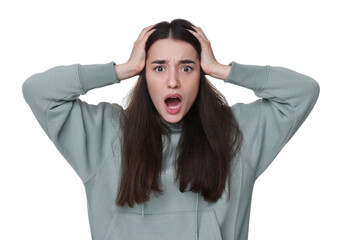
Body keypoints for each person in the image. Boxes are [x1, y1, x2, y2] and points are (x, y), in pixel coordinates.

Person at [22, 19, 320, 240]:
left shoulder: (236, 134)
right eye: (159, 67)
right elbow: (38, 91)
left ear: (201, 75)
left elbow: (303, 92)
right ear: (144, 75)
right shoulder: (106, 134)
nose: (173, 81)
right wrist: (121, 69)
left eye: (187, 67)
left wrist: (223, 69)